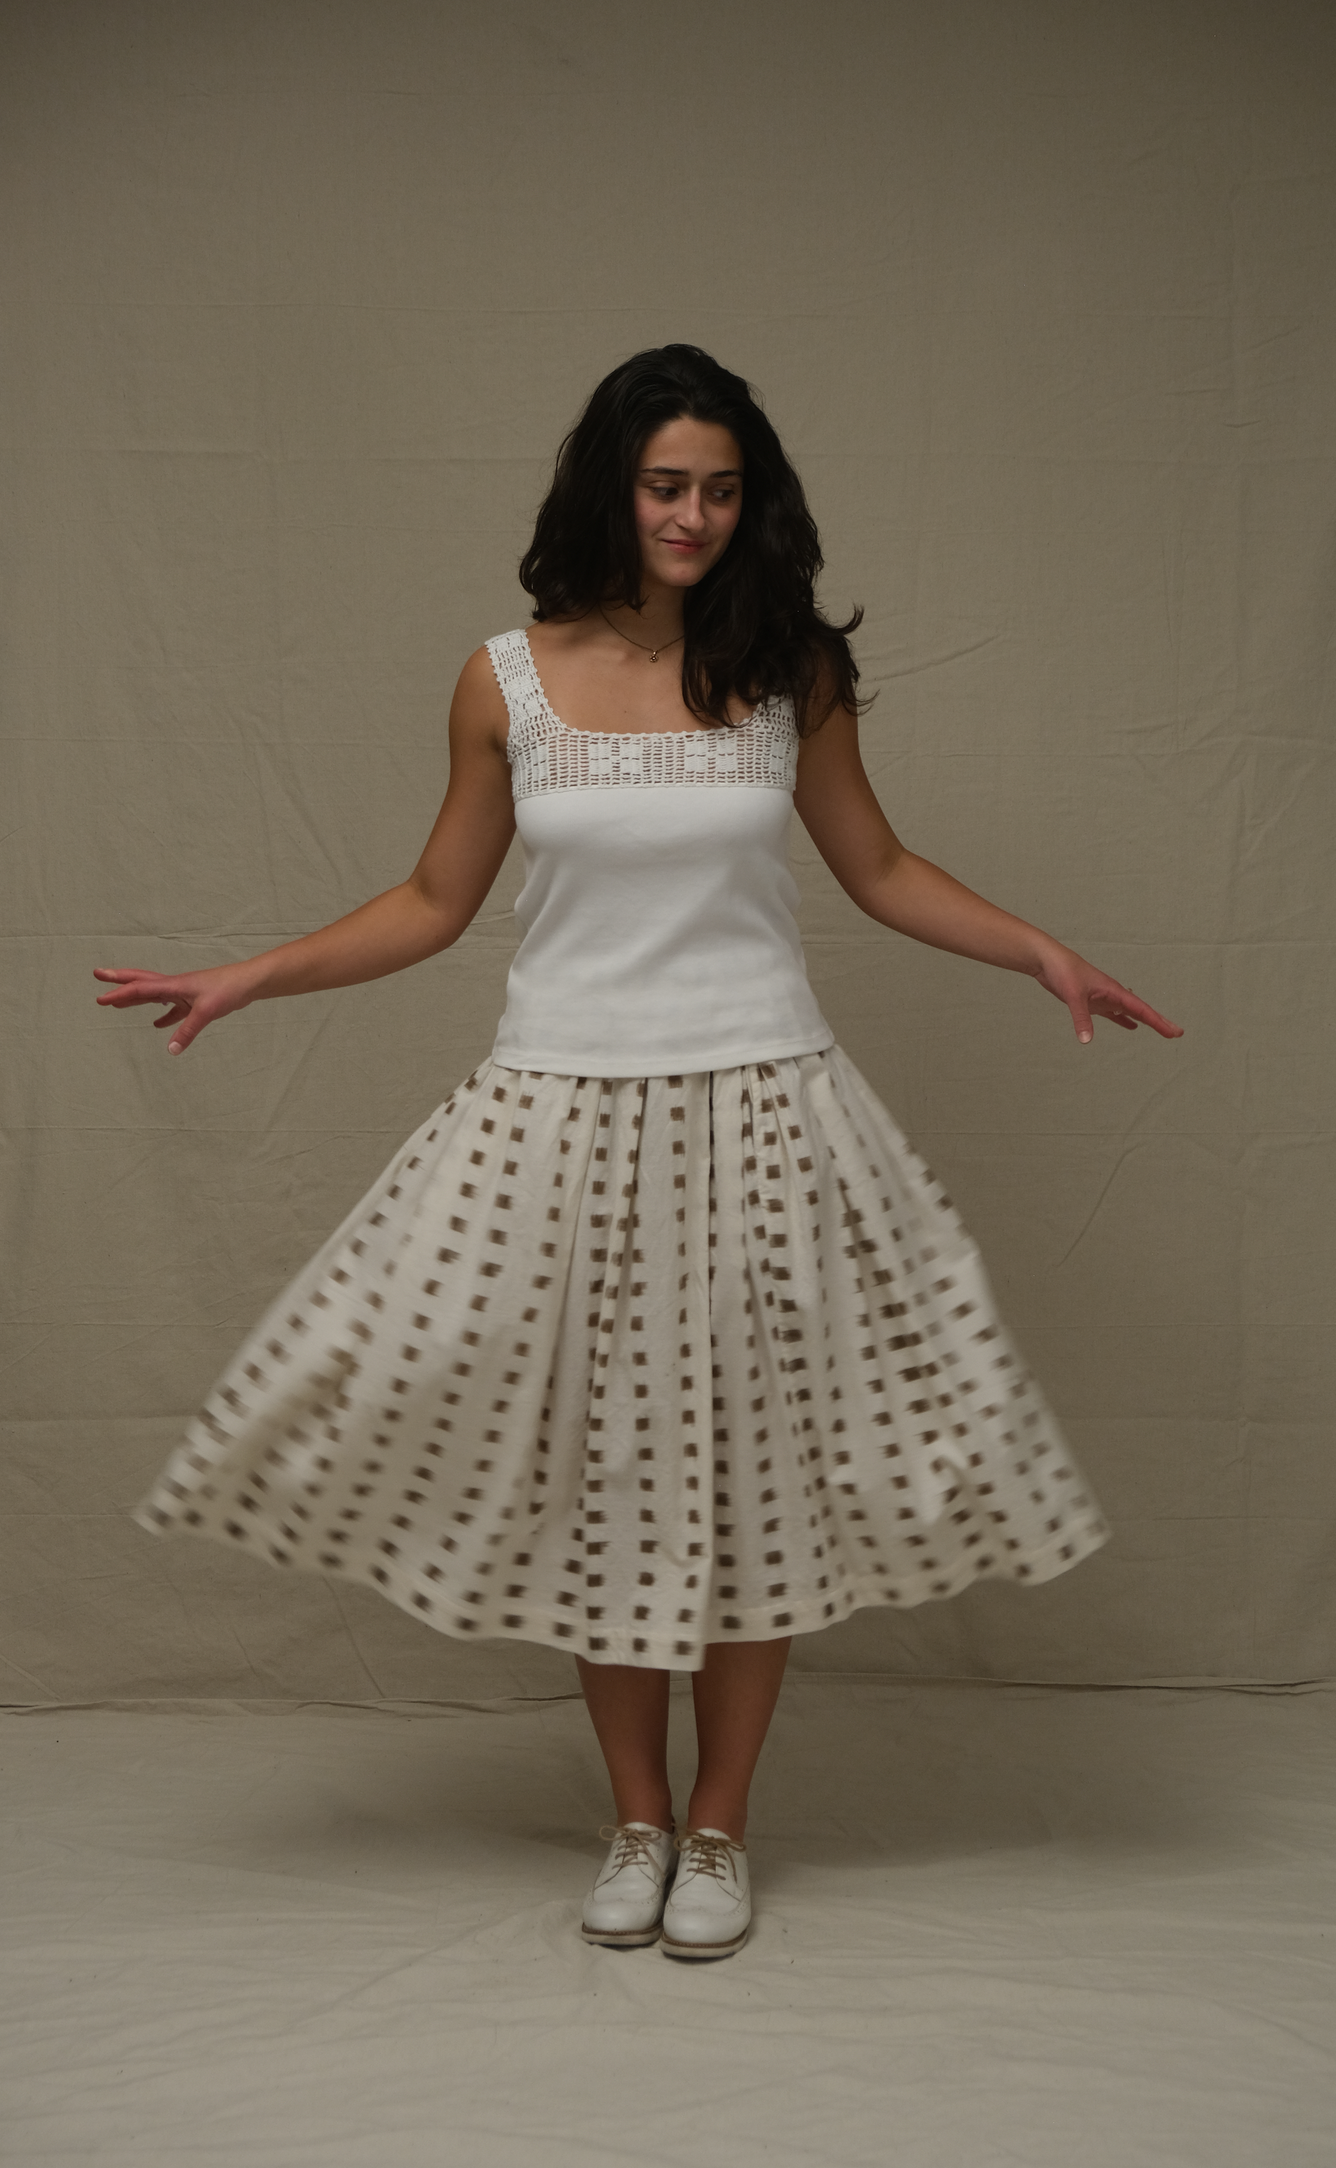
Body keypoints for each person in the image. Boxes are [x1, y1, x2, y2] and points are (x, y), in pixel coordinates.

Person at [95, 344, 1182, 1963]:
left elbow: (876, 866)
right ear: (613, 485)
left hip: (763, 1116)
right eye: (668, 483)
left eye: (722, 488)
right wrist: (254, 972)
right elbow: (430, 903)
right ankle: (635, 1820)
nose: (692, 514)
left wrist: (1040, 952)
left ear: (755, 504)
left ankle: (723, 1829)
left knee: (751, 1494)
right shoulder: (503, 679)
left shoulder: (786, 668)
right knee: (607, 1483)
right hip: (562, 1122)